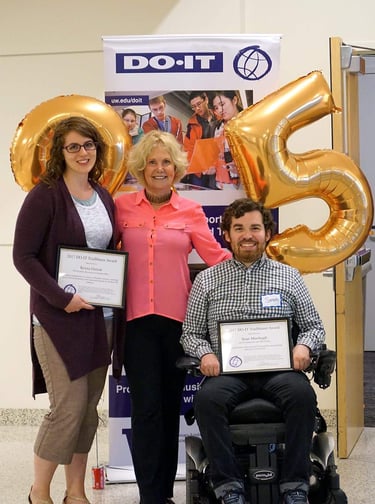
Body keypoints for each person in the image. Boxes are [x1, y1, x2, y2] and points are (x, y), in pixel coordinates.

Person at [181, 198, 326, 504]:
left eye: (255, 228)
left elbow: (314, 326)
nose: (248, 235)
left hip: (279, 370)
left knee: (302, 396)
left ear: (267, 233)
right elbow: (191, 333)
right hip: (228, 372)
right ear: (227, 235)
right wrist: (205, 353)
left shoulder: (289, 277)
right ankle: (228, 486)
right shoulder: (207, 280)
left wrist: (303, 345)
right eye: (239, 228)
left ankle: (295, 486)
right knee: (207, 400)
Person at [114, 130, 232, 504]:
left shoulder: (191, 211)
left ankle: (164, 492)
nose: (160, 168)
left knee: (168, 409)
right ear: (141, 168)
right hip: (135, 324)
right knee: (145, 410)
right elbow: (99, 253)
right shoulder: (122, 207)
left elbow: (217, 258)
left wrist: (268, 270)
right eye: (152, 162)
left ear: (177, 168)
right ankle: (151, 495)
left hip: (177, 325)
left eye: (166, 162)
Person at [13, 116, 125, 504]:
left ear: (98, 150)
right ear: (59, 152)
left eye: (89, 145)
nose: (83, 153)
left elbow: (109, 254)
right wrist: (63, 298)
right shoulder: (44, 196)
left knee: (88, 410)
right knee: (67, 408)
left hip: (102, 318)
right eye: (74, 146)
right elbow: (23, 258)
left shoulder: (103, 195)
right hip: (58, 319)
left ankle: (75, 491)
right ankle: (38, 492)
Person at [181, 91, 217, 188]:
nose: (197, 108)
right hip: (199, 170)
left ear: (206, 100)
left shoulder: (219, 117)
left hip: (217, 167)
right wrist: (188, 167)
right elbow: (188, 149)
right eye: (193, 106)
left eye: (199, 104)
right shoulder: (192, 125)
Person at [211, 91, 243, 188]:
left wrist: (242, 166)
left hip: (243, 185)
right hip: (221, 183)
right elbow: (216, 154)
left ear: (234, 100)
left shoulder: (247, 125)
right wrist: (212, 166)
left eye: (222, 104)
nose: (220, 110)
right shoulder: (216, 128)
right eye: (216, 107)